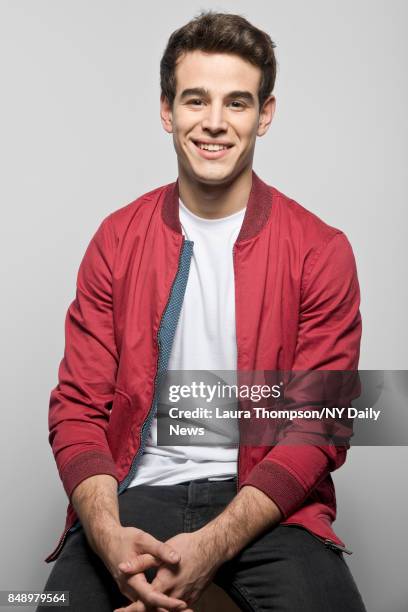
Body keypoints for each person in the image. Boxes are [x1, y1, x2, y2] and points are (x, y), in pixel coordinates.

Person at [38, 11, 367, 612]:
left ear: (265, 115)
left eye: (237, 103)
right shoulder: (116, 239)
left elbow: (319, 425)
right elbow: (78, 410)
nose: (214, 123)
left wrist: (211, 546)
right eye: (196, 100)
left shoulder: (321, 251)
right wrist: (109, 539)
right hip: (131, 497)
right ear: (167, 110)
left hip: (270, 505)